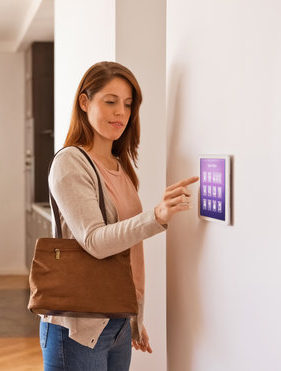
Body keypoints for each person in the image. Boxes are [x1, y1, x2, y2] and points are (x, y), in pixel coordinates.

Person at [41, 61, 198, 371]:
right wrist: (156, 215)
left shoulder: (118, 165)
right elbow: (95, 241)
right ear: (85, 102)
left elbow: (130, 254)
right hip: (79, 327)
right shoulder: (71, 162)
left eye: (127, 104)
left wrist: (133, 316)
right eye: (110, 101)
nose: (121, 113)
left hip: (117, 322)